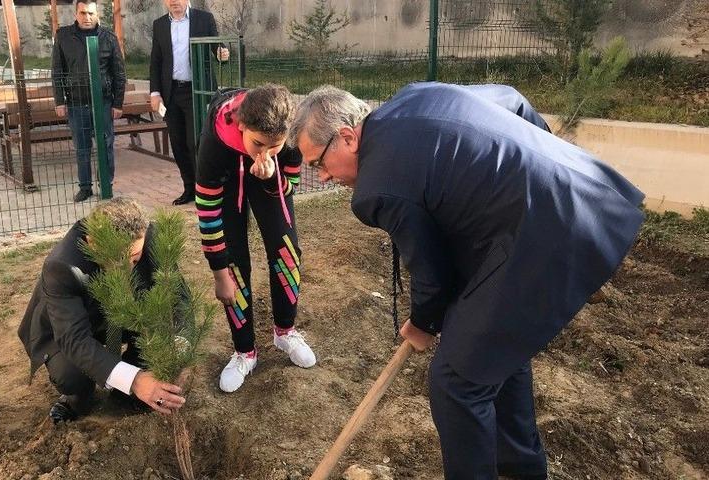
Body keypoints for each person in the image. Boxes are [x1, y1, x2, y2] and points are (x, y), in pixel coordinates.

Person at [288, 83, 645, 479]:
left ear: (348, 138)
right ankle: (522, 471)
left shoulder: (376, 188)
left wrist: (423, 323)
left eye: (318, 163)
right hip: (579, 192)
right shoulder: (413, 97)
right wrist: (531, 175)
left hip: (539, 240)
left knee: (456, 383)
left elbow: (431, 271)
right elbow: (511, 100)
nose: (321, 177)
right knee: (496, 355)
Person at [18, 197, 186, 423]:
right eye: (117, 260)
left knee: (157, 345)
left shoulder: (152, 239)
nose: (127, 271)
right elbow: (75, 340)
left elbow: (179, 300)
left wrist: (179, 351)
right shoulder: (62, 266)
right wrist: (136, 380)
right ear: (92, 242)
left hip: (132, 316)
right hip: (77, 323)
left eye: (135, 259)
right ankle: (78, 397)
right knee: (71, 374)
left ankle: (124, 395)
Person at [196, 84, 316, 393]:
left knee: (287, 251)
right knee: (235, 264)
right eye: (258, 143)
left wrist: (271, 176)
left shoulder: (289, 136)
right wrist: (219, 272)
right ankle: (244, 352)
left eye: (273, 146)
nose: (265, 153)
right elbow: (208, 211)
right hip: (228, 178)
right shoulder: (215, 143)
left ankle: (285, 331)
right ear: (241, 126)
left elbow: (290, 184)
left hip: (269, 180)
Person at [150, 0, 229, 205]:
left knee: (196, 141)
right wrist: (155, 93)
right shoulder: (159, 25)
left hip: (197, 91)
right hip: (171, 93)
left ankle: (206, 187)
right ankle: (189, 188)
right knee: (177, 143)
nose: (174, 1)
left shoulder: (204, 19)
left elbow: (217, 49)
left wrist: (223, 54)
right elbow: (156, 61)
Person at [52, 0, 126, 203]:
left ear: (97, 14)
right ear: (76, 13)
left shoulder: (108, 37)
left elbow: (119, 73)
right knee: (82, 147)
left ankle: (106, 185)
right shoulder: (64, 36)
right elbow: (57, 71)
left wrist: (118, 103)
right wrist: (60, 101)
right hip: (76, 102)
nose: (87, 17)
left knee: (106, 144)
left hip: (103, 101)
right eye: (83, 13)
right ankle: (85, 187)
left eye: (91, 13)